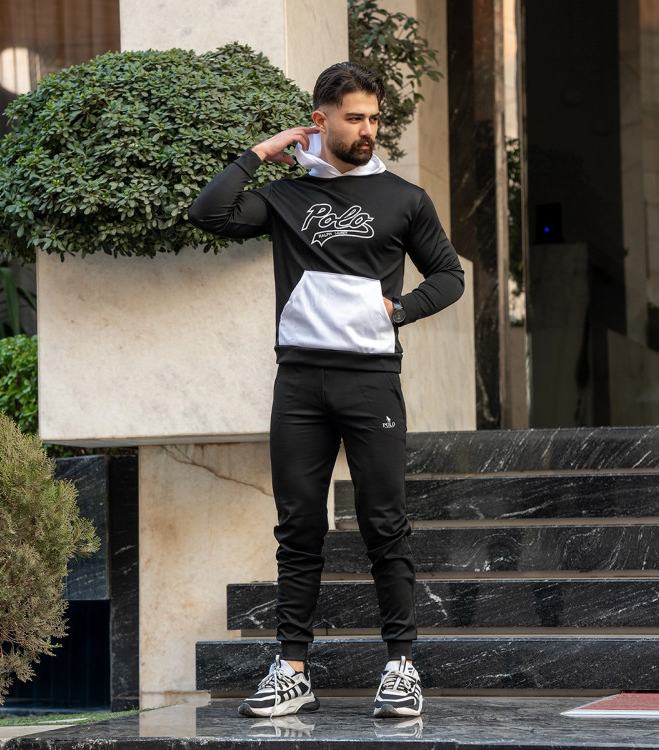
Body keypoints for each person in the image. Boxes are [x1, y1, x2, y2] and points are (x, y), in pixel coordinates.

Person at [188, 61, 464, 719]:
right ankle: (292, 671)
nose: (368, 130)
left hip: (371, 380)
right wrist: (264, 151)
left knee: (384, 523)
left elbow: (449, 275)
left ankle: (401, 667)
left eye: (374, 118)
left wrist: (400, 310)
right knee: (299, 527)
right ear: (321, 120)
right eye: (354, 118)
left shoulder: (404, 198)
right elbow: (209, 212)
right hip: (300, 384)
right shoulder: (287, 197)